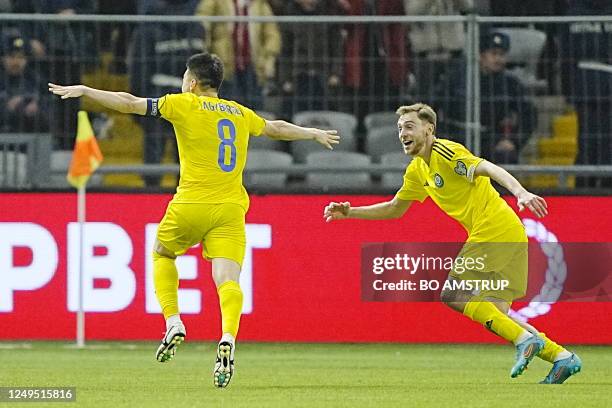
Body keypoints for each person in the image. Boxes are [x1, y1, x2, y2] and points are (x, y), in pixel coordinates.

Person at [49, 52, 339, 388]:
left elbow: (128, 103)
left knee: (162, 253)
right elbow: (275, 128)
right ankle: (227, 338)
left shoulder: (183, 104)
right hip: (231, 208)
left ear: (191, 81)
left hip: (191, 203)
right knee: (228, 279)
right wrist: (311, 133)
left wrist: (87, 89)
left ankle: (173, 321)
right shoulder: (239, 112)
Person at [324, 103, 581, 384]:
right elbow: (395, 208)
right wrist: (350, 212)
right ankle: (562, 358)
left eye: (409, 126)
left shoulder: (446, 152)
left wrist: (520, 192)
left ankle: (525, 342)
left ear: (428, 129)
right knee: (497, 315)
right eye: (400, 128)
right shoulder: (417, 171)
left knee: (452, 293)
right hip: (510, 234)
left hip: (494, 228)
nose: (402, 133)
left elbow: (488, 168)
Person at [437, 31, 537, 164]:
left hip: (491, 138)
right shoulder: (456, 78)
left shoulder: (510, 84)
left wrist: (513, 141)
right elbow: (431, 106)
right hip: (455, 136)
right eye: (494, 54)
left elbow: (529, 113)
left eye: (502, 55)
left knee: (505, 157)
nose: (498, 59)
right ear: (481, 56)